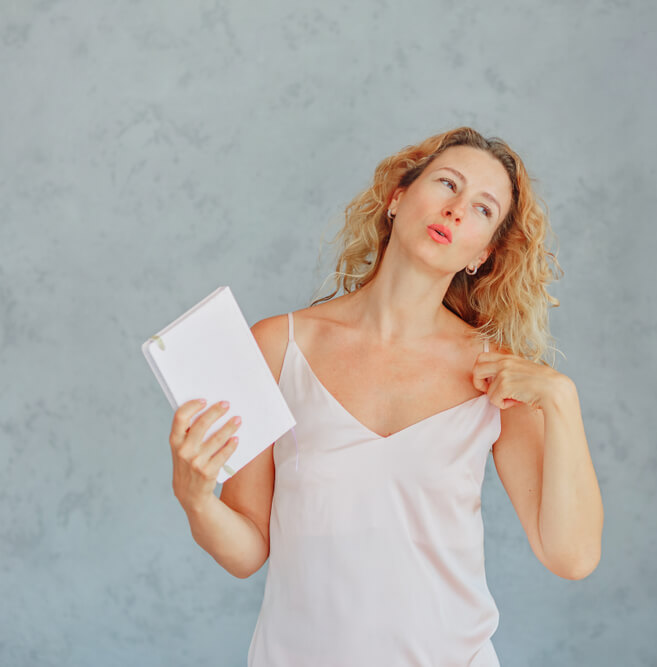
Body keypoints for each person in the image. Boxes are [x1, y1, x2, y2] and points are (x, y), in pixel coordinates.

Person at [166, 126, 604, 666]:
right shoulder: (278, 346)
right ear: (398, 197)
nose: (457, 209)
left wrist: (561, 399)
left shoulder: (494, 377)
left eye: (483, 209)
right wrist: (195, 499)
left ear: (482, 254)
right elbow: (249, 549)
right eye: (447, 184)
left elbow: (572, 555)